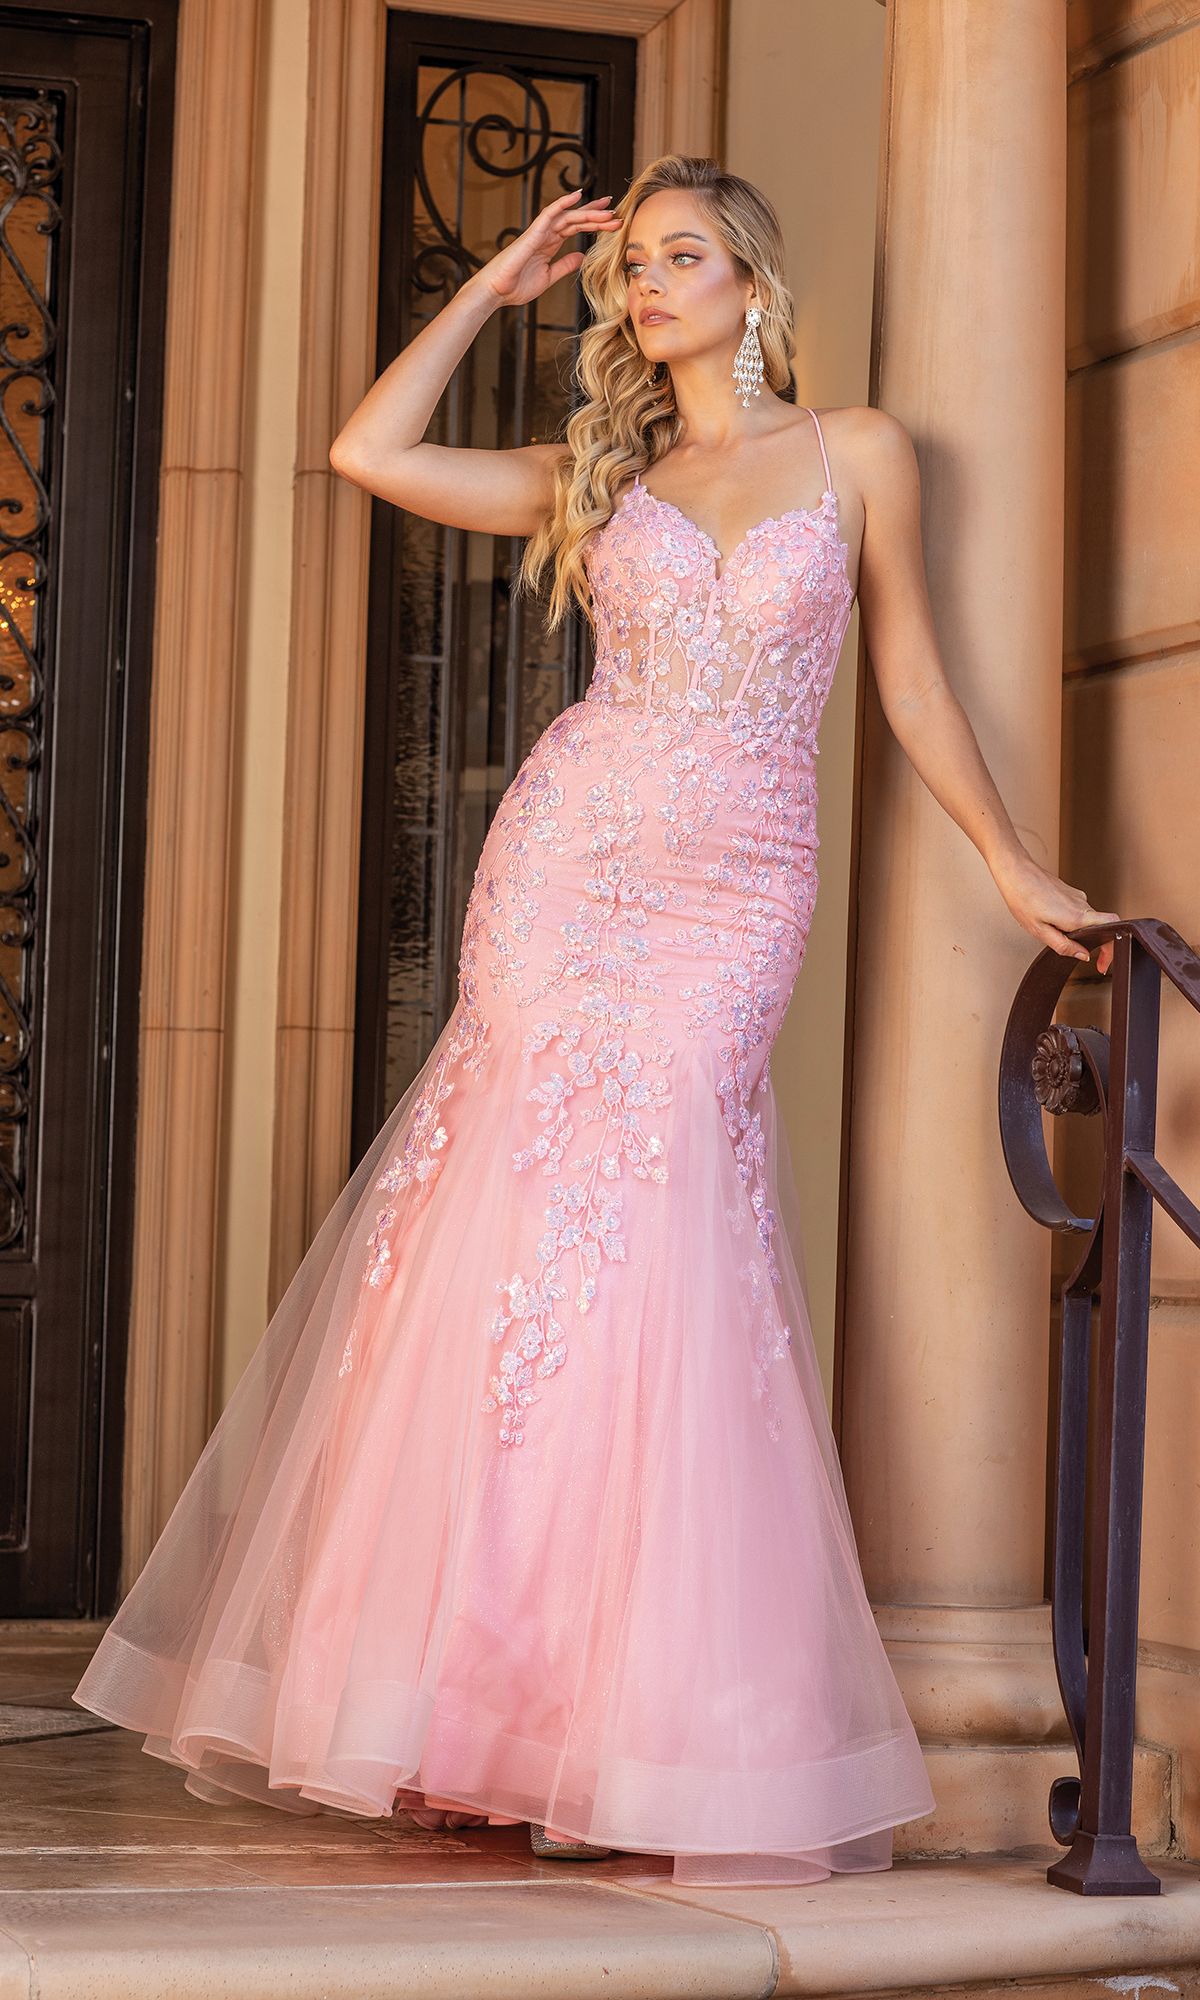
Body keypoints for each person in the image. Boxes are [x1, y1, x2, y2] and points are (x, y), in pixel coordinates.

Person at [73, 153, 1119, 1886]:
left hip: (726, 901)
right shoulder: (603, 471)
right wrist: (495, 286)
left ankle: (631, 1719)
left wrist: (1013, 865)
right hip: (564, 874)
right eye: (627, 265)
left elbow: (912, 675)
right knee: (514, 1246)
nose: (645, 286)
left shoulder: (858, 452)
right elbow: (368, 454)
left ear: (753, 281)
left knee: (665, 1233)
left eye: (678, 256)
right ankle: (480, 1705)